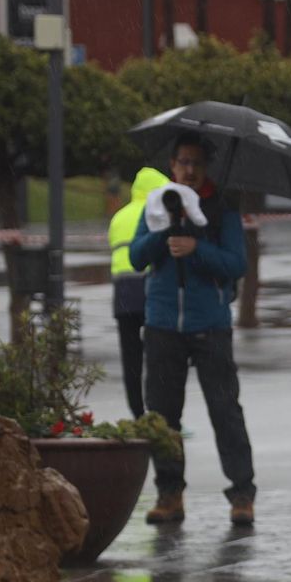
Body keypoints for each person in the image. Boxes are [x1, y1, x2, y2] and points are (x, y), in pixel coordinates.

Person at [129, 134, 257, 527]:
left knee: (225, 411)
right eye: (183, 162)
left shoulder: (221, 209)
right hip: (162, 325)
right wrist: (163, 235)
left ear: (206, 168)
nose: (189, 169)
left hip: (211, 328)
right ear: (172, 165)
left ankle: (241, 494)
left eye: (197, 163)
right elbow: (136, 257)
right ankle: (169, 495)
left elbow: (236, 264)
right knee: (163, 415)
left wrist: (196, 247)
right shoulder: (157, 206)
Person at [108, 166, 170, 419]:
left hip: (122, 290)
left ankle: (137, 412)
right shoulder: (156, 215)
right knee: (160, 354)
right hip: (150, 286)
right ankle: (160, 412)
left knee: (130, 357)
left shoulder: (119, 217)